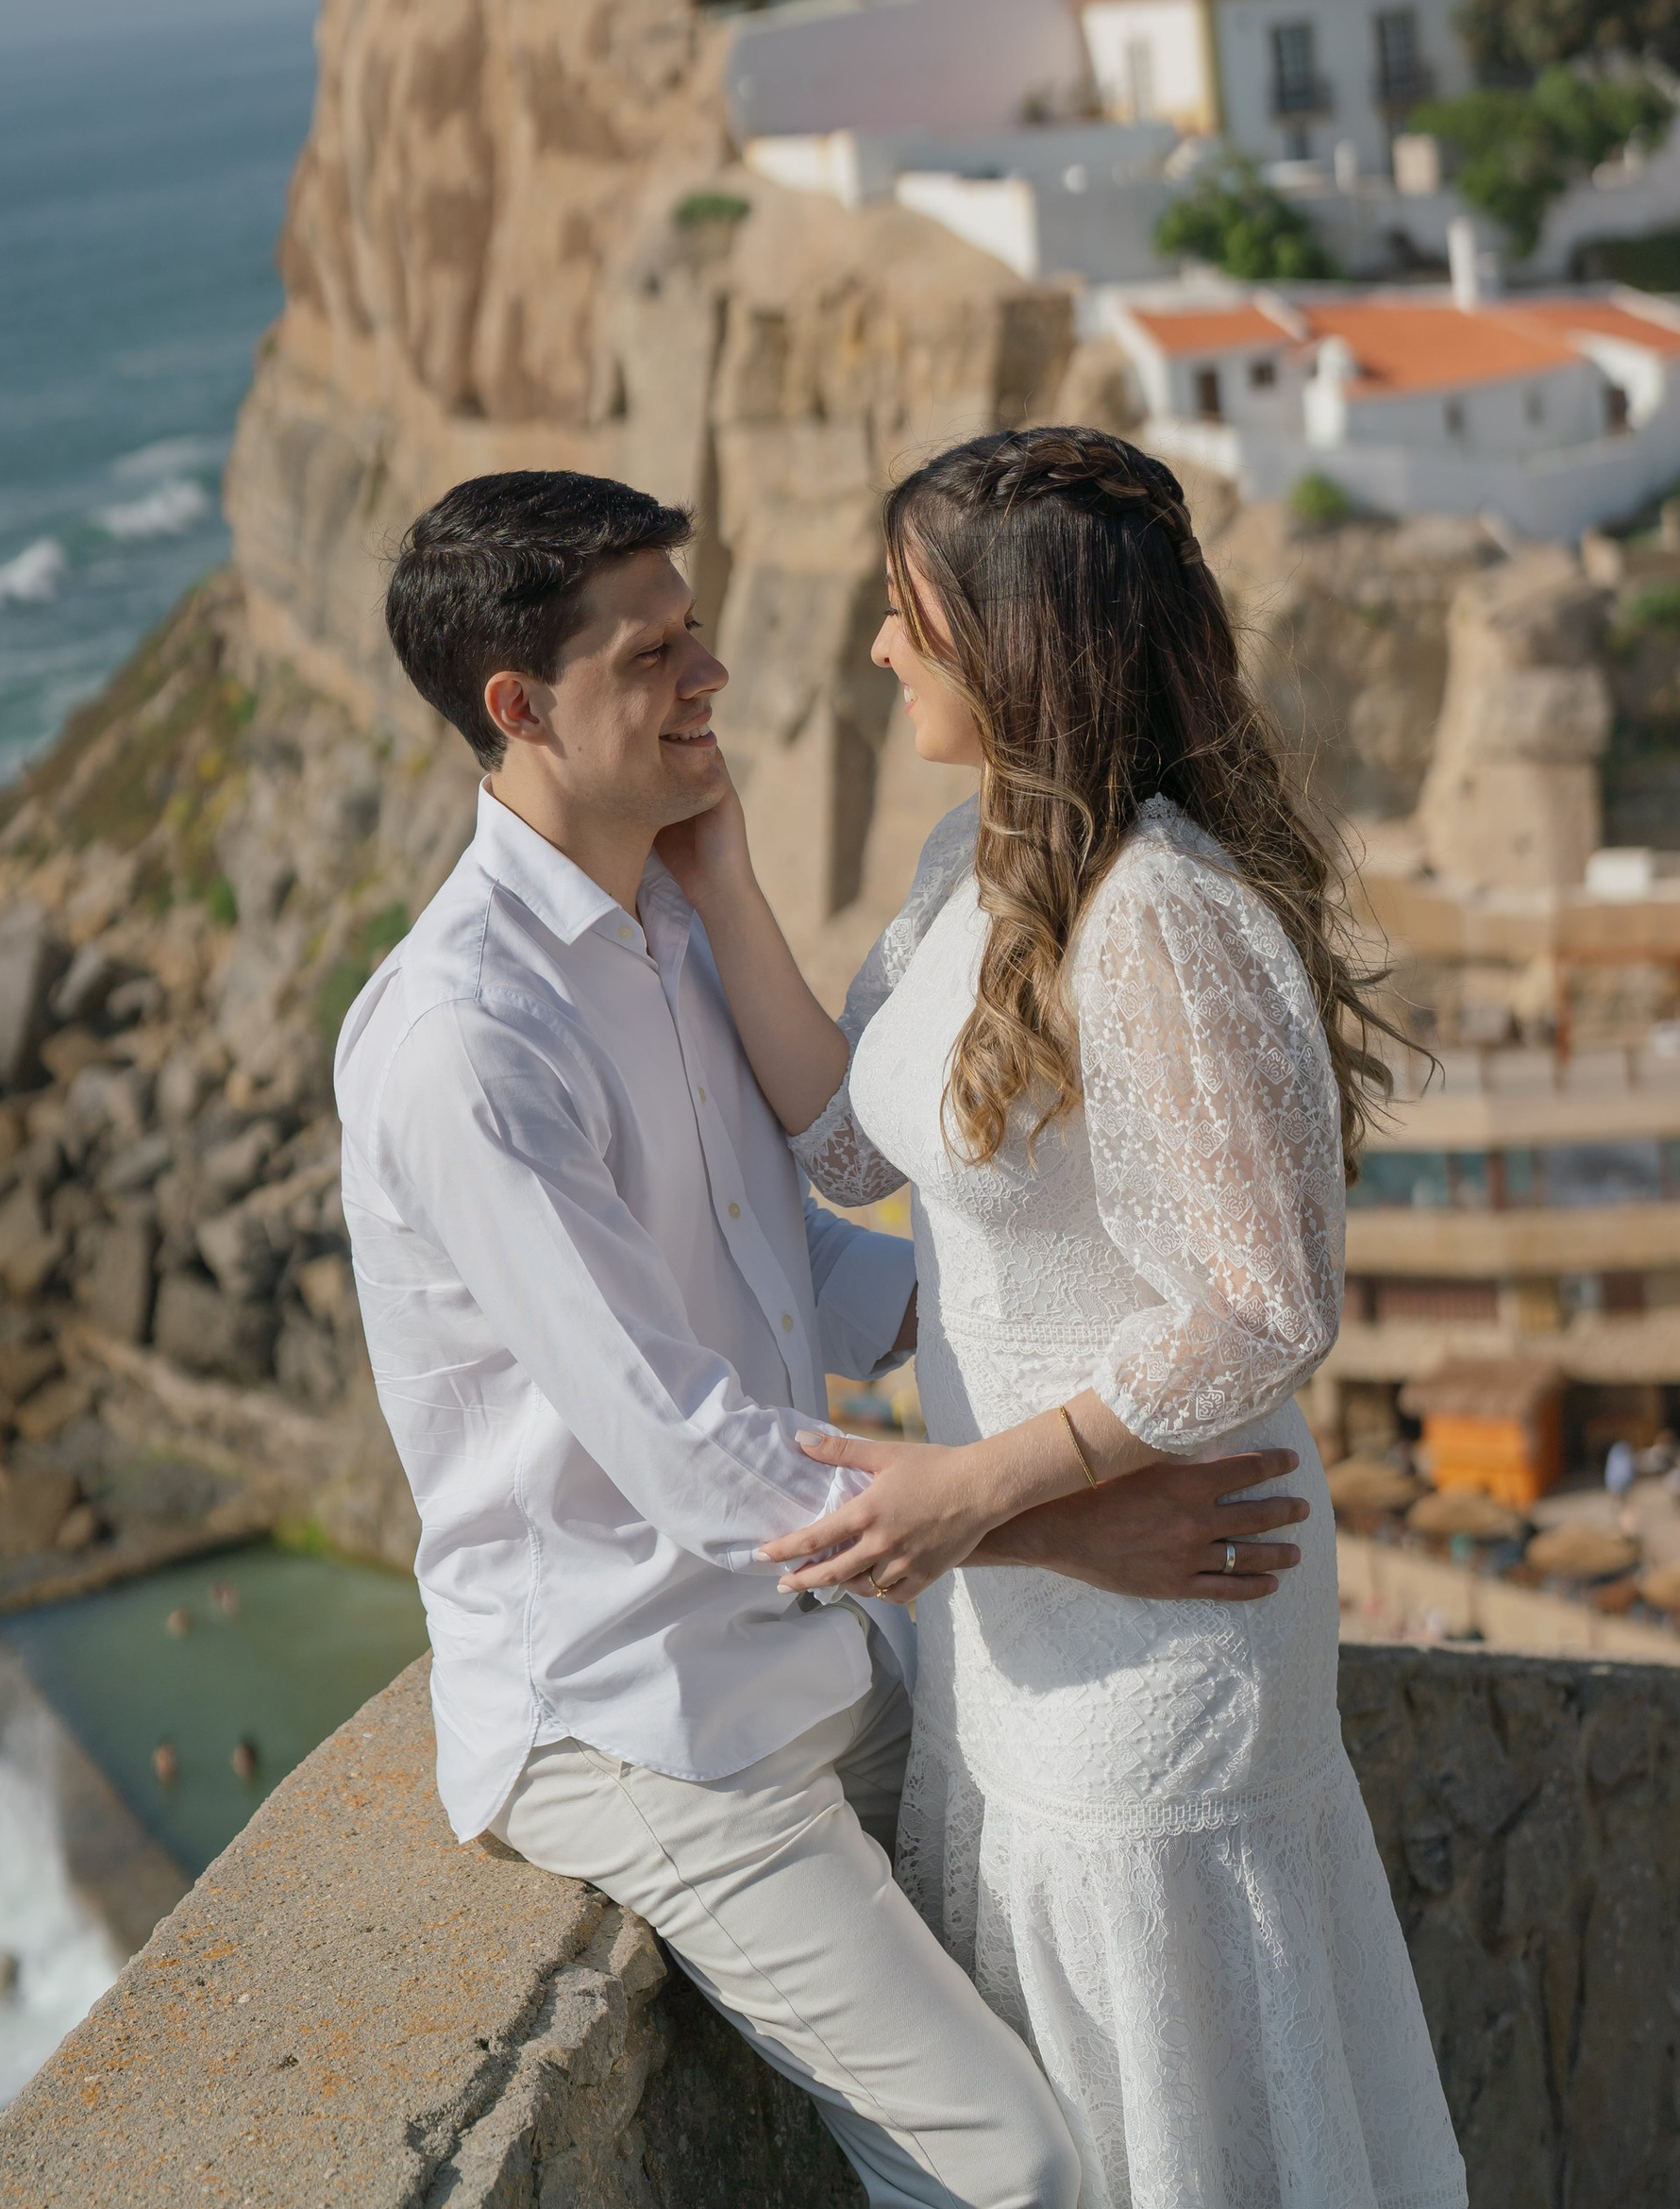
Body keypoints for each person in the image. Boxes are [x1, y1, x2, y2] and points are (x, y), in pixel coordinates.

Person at [336, 468, 1318, 2209]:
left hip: (807, 1641)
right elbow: (681, 1439)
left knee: (1083, 2029)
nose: (710, 671)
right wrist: (1047, 1509)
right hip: (642, 1709)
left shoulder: (660, 927)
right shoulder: (465, 1039)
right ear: (520, 708)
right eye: (655, 653)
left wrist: (1038, 1349)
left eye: (691, 628)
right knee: (1011, 2163)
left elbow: (789, 1241)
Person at [661, 426, 1466, 2209]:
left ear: (1013, 645)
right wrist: (714, 868)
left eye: (906, 618)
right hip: (1034, 1601)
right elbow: (850, 1139)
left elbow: (1268, 1302)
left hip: (1173, 1621)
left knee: (1179, 2104)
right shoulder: (971, 864)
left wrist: (976, 1490)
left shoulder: (1161, 915)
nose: (878, 651)